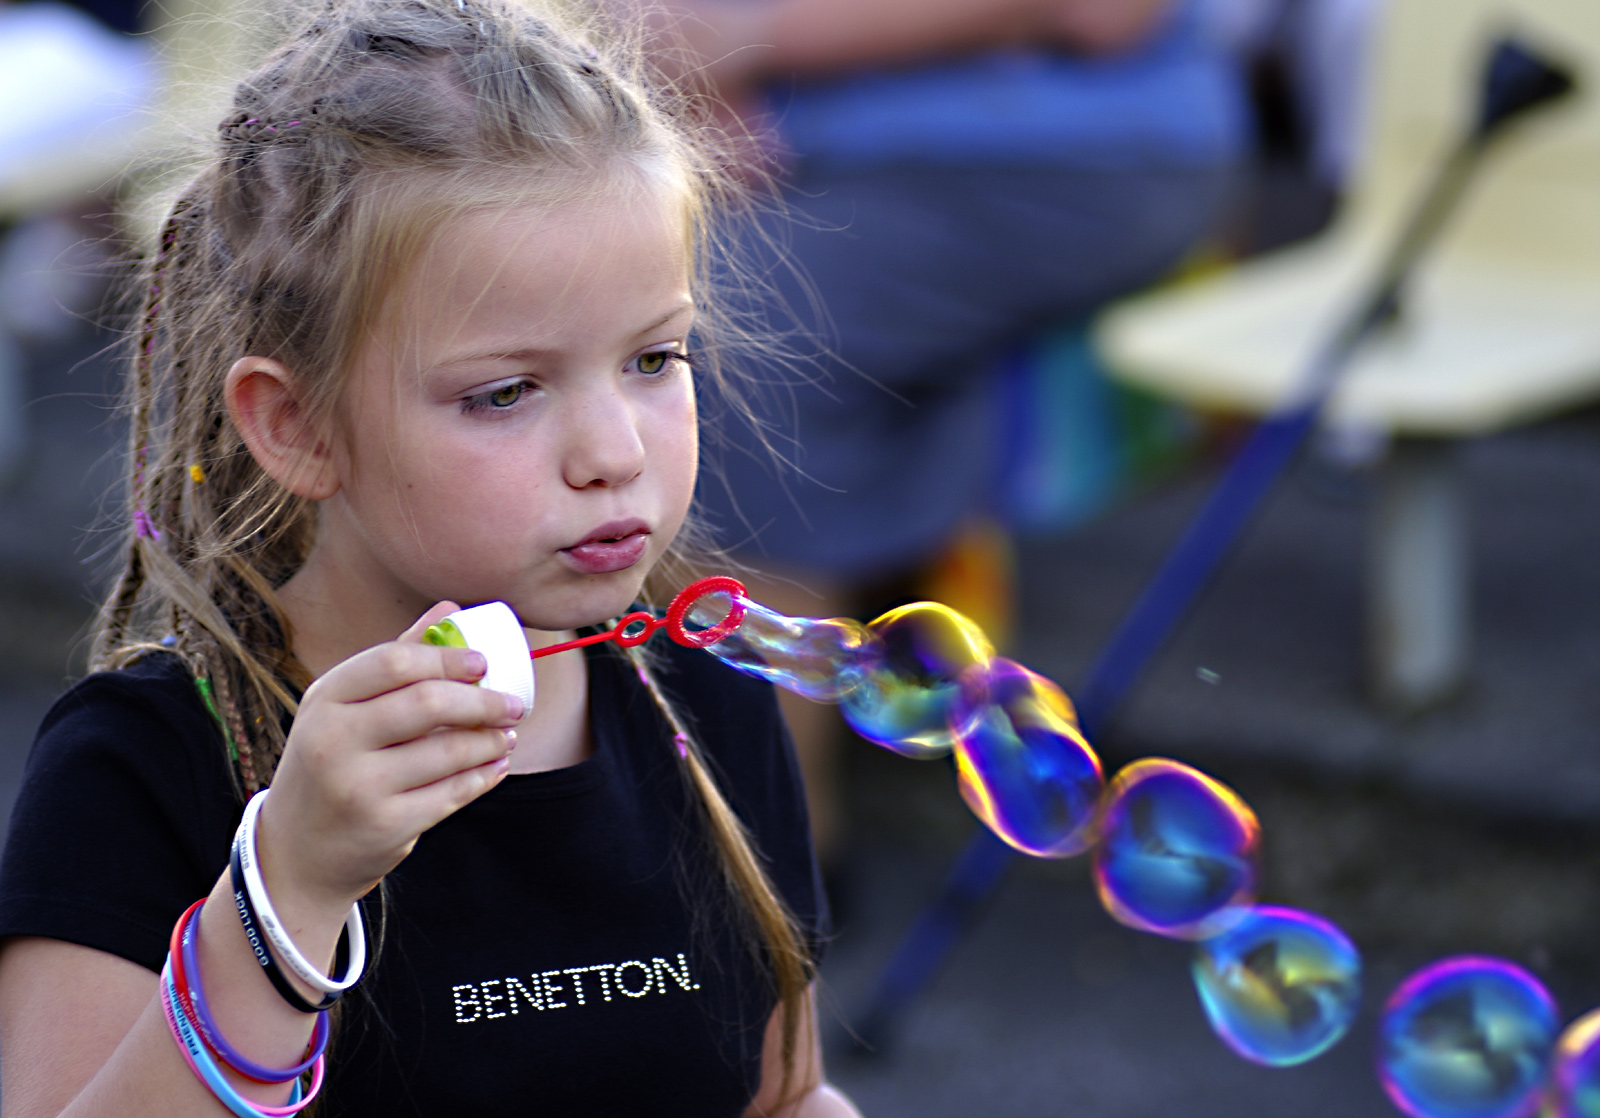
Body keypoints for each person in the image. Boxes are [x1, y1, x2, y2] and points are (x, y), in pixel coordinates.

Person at [0, 2, 858, 1115]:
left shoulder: (708, 704)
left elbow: (785, 1096)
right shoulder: (148, 767)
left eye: (654, 358)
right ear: (299, 426)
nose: (614, 453)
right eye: (505, 392)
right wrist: (289, 888)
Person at [649, 0, 1251, 861]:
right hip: (794, 131)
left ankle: (773, 856)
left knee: (724, 335)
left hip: (1061, 152)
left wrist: (739, 42)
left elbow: (1103, 12)